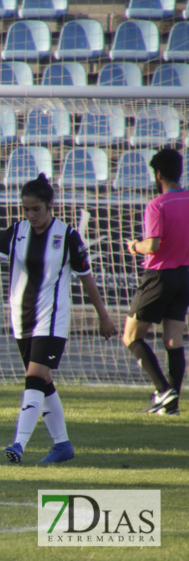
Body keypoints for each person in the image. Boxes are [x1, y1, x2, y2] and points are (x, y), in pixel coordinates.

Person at [0, 174, 116, 464]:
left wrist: (104, 317)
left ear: (50, 205)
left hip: (52, 319)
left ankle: (19, 444)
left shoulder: (67, 236)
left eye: (35, 209)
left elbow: (87, 281)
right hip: (21, 317)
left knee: (34, 377)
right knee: (44, 381)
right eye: (25, 209)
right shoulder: (17, 231)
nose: (30, 215)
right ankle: (62, 445)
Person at [122, 148, 189, 416]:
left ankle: (163, 391)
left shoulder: (157, 204)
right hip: (185, 275)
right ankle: (171, 406)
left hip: (159, 275)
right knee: (173, 340)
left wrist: (133, 246)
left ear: (157, 174)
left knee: (130, 336)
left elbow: (152, 245)